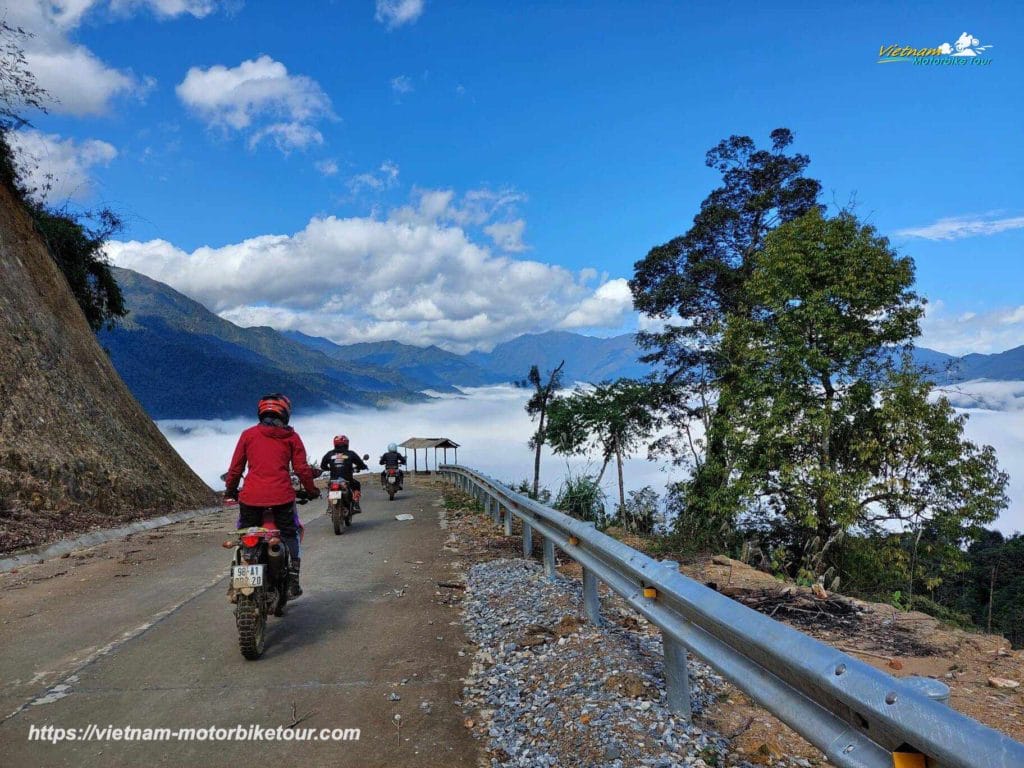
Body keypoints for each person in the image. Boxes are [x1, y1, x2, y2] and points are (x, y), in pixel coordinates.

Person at [224, 393, 319, 599]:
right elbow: (302, 469)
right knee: (289, 534)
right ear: (285, 414)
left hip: (250, 499)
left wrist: (230, 490)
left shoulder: (248, 435)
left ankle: (237, 581)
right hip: (282, 498)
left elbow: (235, 469)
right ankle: (293, 579)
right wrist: (312, 491)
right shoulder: (292, 438)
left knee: (246, 536)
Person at [320, 435, 368, 512]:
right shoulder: (351, 453)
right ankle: (356, 504)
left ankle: (329, 506)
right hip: (347, 479)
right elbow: (360, 463)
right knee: (357, 484)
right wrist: (363, 466)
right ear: (346, 443)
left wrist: (329, 468)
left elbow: (322, 465)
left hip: (333, 480)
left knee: (330, 488)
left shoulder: (329, 454)